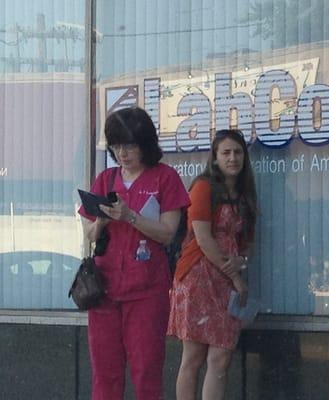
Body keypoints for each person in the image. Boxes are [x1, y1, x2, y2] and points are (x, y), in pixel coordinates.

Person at [78, 107, 190, 400]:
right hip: (104, 288)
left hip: (147, 291)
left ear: (145, 143)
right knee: (105, 374)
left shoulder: (165, 178)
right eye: (116, 146)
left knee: (146, 372)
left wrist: (130, 216)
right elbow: (88, 235)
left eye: (129, 145)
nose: (122, 153)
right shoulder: (106, 179)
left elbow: (167, 232)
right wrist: (102, 220)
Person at [167, 129, 257, 400]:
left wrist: (242, 261)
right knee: (193, 357)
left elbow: (247, 243)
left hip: (225, 279)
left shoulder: (245, 194)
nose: (233, 158)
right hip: (198, 276)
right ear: (215, 158)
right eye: (226, 153)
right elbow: (203, 239)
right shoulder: (203, 186)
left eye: (238, 152)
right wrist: (237, 277)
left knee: (221, 357)